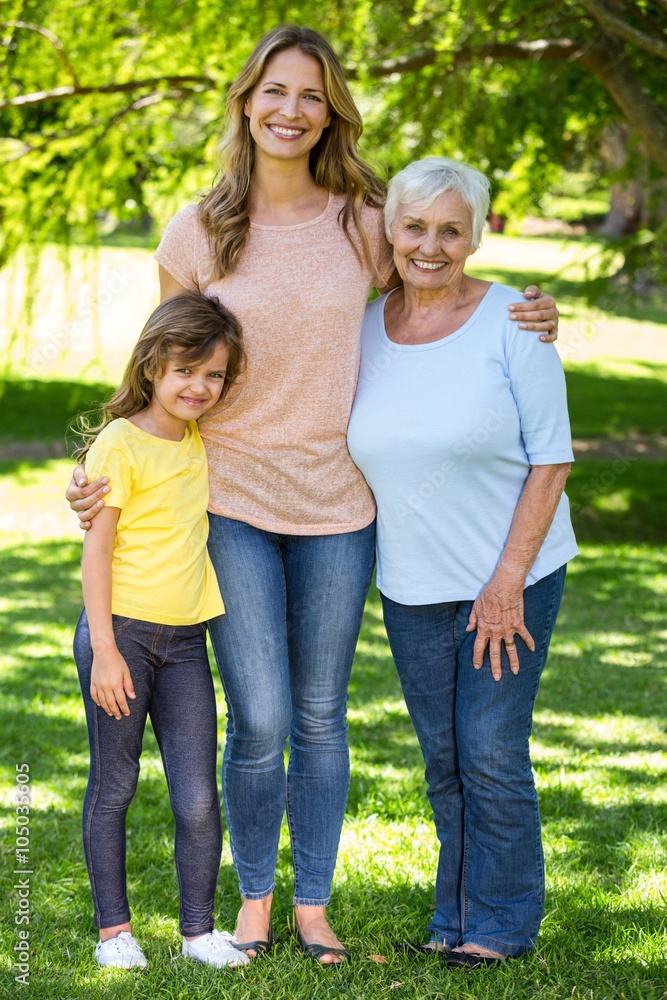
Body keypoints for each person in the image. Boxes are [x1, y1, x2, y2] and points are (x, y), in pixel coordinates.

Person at [66, 26, 561, 964]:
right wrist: (102, 470)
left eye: (312, 95)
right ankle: (252, 903)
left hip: (340, 505)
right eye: (275, 91)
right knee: (257, 714)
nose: (291, 110)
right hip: (233, 501)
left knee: (321, 712)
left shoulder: (364, 219)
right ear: (246, 100)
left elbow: (436, 279)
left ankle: (311, 906)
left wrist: (523, 309)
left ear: (331, 110)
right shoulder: (197, 230)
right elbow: (164, 365)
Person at [347, 156, 579, 967]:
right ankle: (453, 919)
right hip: (411, 583)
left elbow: (550, 461)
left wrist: (506, 583)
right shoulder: (366, 325)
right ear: (389, 229)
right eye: (415, 226)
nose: (431, 245)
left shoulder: (514, 320)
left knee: (488, 748)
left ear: (477, 235)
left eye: (451, 229)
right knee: (444, 757)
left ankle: (503, 926)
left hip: (511, 575)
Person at [73, 292, 248, 970]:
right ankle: (114, 932)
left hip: (183, 645)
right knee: (114, 786)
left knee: (197, 795)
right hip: (119, 637)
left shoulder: (200, 436)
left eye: (213, 375)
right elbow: (96, 550)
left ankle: (198, 931)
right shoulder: (120, 442)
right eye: (185, 370)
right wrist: (107, 651)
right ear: (151, 366)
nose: (199, 387)